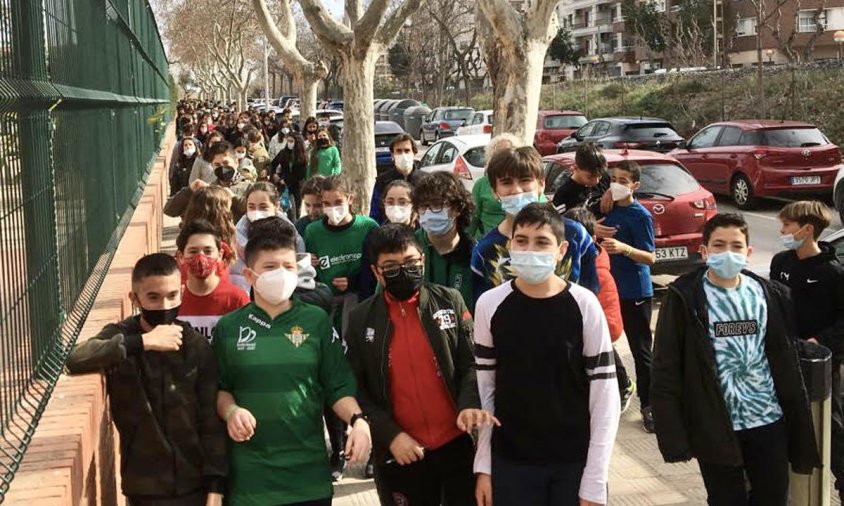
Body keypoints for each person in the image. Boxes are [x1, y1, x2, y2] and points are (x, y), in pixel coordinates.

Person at [652, 213, 820, 505]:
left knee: (773, 498)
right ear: (704, 251)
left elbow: (784, 358)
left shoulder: (769, 294)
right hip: (716, 425)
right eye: (718, 245)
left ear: (748, 252)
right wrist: (674, 436)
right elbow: (665, 368)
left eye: (736, 246)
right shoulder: (684, 298)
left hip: (768, 421)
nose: (727, 253)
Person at [474, 204, 619, 506]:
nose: (530, 250)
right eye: (521, 241)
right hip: (512, 463)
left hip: (573, 463)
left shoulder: (585, 304)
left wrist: (595, 478)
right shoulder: (489, 305)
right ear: (510, 245)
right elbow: (486, 391)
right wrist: (484, 467)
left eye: (542, 242)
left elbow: (605, 395)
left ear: (561, 250)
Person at [213, 232, 372, 505]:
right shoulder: (229, 327)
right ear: (249, 276)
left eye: (288, 267)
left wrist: (358, 422)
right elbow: (220, 388)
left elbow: (337, 386)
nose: (281, 274)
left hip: (309, 479)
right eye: (270, 267)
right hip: (251, 481)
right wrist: (231, 412)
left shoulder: (317, 322)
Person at [346, 224, 492, 504]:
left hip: (458, 444)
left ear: (422, 260)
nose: (403, 271)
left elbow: (471, 362)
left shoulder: (449, 300)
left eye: (411, 262)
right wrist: (390, 436)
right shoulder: (360, 319)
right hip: (401, 451)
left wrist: (469, 403)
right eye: (390, 266)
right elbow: (357, 388)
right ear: (376, 272)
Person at [66, 253, 227, 506]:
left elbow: (210, 420)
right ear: (135, 298)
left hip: (194, 487)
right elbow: (77, 356)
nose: (164, 305)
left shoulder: (196, 345)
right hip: (144, 489)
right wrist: (142, 342)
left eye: (172, 296)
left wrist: (215, 487)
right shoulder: (123, 336)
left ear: (182, 293)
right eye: (153, 297)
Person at [770, 200, 844, 500]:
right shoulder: (781, 263)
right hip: (784, 360)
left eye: (787, 226)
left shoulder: (833, 273)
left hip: (821, 367)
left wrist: (819, 341)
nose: (783, 231)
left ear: (807, 229)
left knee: (834, 429)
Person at [471, 147, 599, 306]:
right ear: (495, 192)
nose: (516, 190)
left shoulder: (575, 236)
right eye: (506, 182)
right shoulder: (485, 251)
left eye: (525, 180)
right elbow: (483, 311)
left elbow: (593, 298)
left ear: (541, 184)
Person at [600, 160, 656, 432]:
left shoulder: (640, 215)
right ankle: (619, 389)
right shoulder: (604, 208)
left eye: (623, 180)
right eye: (614, 178)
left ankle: (650, 406)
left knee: (641, 351)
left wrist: (624, 248)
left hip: (636, 291)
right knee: (602, 343)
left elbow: (651, 257)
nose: (617, 184)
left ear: (635, 185)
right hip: (609, 290)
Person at [565, 207, 631, 411]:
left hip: (592, 350)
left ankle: (624, 386)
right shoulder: (564, 267)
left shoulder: (600, 275)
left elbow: (611, 327)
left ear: (592, 238)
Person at [176, 219, 250, 339]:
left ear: (220, 255)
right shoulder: (173, 299)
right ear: (181, 256)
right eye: (193, 251)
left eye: (208, 251)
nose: (201, 257)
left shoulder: (236, 299)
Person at [413, 171, 476, 311]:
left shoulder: (474, 254)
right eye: (423, 206)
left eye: (437, 205)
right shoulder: (408, 248)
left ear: (457, 208)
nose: (429, 213)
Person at [231, 182, 304, 293]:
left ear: (276, 206)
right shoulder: (236, 240)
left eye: (263, 207)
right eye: (251, 207)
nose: (256, 212)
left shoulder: (291, 235)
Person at [468, 133, 520, 238]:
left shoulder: (526, 183)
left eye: (509, 152)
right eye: (500, 154)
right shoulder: (481, 184)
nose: (505, 158)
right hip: (489, 242)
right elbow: (473, 219)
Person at [369, 134, 423, 224]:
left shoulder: (424, 180)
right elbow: (375, 214)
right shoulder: (382, 181)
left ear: (414, 153)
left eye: (407, 151)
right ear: (392, 155)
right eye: (398, 151)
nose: (403, 155)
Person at [552, 142, 611, 216]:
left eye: (600, 176)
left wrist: (611, 191)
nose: (596, 181)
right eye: (590, 177)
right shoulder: (564, 194)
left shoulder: (605, 179)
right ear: (576, 168)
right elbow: (557, 222)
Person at [270, 132, 308, 218]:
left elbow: (301, 174)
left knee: (297, 210)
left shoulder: (303, 156)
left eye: (292, 141)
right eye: (288, 141)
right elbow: (273, 164)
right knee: (288, 210)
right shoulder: (283, 153)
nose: (289, 143)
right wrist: (275, 175)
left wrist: (287, 180)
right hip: (284, 186)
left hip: (297, 186)